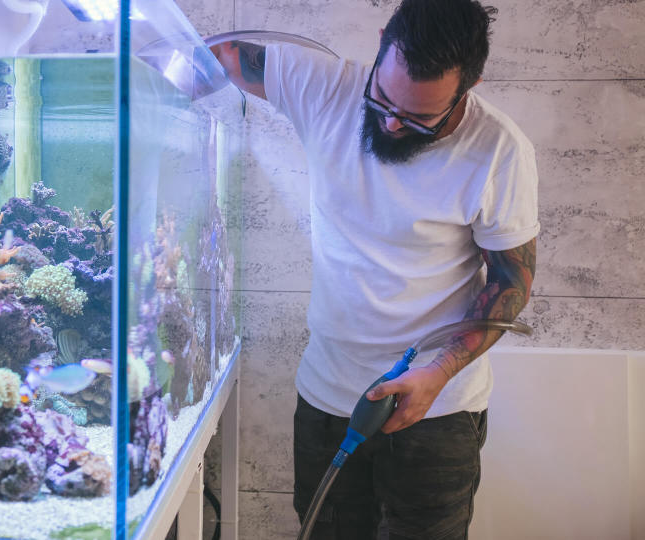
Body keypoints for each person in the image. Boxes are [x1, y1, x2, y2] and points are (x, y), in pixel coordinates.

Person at [210, 0, 538, 538]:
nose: (390, 121)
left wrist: (436, 374)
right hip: (327, 394)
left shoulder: (499, 150)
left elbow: (511, 280)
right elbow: (219, 57)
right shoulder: (321, 86)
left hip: (438, 409)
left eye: (419, 118)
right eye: (383, 98)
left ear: (470, 84)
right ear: (382, 41)